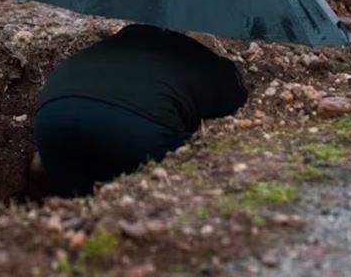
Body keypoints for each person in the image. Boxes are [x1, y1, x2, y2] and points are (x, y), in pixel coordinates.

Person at [32, 23, 248, 197]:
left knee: (73, 204)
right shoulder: (220, 71)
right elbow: (229, 119)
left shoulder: (113, 46)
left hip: (52, 115)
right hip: (135, 127)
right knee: (184, 173)